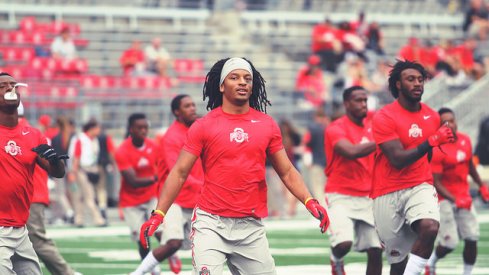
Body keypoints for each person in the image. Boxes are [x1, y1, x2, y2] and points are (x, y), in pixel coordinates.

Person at [140, 57, 330, 275]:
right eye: (234, 77)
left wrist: (309, 201)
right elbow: (180, 173)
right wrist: (159, 214)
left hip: (250, 225)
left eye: (247, 78)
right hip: (211, 222)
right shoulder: (203, 126)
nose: (242, 82)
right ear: (221, 86)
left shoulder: (267, 125)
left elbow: (286, 171)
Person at [371, 60, 455, 275]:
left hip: (419, 185)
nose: (418, 83)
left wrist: (423, 176)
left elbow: (426, 157)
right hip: (386, 192)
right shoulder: (384, 116)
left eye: (420, 79)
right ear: (398, 84)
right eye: (411, 79)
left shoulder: (432, 116)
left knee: (430, 227)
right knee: (398, 263)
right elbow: (397, 159)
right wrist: (432, 140)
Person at [0, 72, 66, 274]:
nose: (11, 88)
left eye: (14, 85)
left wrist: (55, 160)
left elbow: (58, 173)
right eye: (3, 86)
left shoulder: (33, 134)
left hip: (20, 228)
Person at [131, 95, 203, 275]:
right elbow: (177, 171)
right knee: (173, 243)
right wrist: (206, 185)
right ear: (176, 112)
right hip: (174, 199)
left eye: (193, 104)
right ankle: (137, 273)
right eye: (187, 106)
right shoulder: (171, 137)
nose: (193, 108)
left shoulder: (199, 130)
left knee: (206, 246)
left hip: (196, 198)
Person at [324, 86, 382, 275]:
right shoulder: (336, 128)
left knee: (376, 249)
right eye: (358, 100)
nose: (363, 104)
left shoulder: (374, 125)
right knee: (344, 243)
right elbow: (350, 151)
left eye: (365, 100)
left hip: (368, 195)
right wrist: (384, 141)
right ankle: (337, 258)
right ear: (347, 103)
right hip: (340, 194)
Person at [425, 107, 489, 275]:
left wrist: (481, 185)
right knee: (450, 243)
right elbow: (436, 182)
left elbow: (469, 166)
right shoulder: (437, 147)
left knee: (472, 237)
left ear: (456, 121)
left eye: (452, 121)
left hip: (464, 197)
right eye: (444, 123)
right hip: (443, 199)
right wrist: (455, 200)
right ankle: (430, 262)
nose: (449, 125)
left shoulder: (465, 140)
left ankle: (467, 273)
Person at [18, 107, 81, 275]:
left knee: (37, 240)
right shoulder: (35, 133)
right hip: (31, 194)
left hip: (30, 195)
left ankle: (67, 273)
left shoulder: (26, 133)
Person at [114, 113, 160, 275]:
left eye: (145, 127)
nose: (143, 131)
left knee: (160, 229)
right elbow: (132, 181)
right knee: (142, 237)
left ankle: (170, 251)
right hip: (131, 200)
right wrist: (156, 177)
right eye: (139, 128)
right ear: (131, 129)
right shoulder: (122, 151)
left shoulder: (154, 146)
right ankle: (151, 267)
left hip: (151, 196)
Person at [67, 119, 107, 227]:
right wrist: (73, 172)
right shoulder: (81, 139)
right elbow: (76, 156)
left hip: (90, 169)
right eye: (97, 128)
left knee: (80, 196)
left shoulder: (94, 140)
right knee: (87, 195)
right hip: (80, 170)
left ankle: (79, 219)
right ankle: (98, 219)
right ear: (92, 129)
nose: (99, 130)